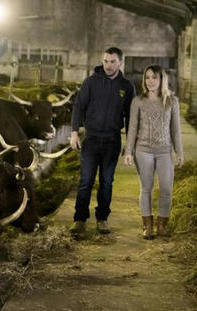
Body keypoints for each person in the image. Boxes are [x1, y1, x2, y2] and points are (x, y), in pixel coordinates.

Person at [69, 47, 135, 237]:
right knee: (86, 180)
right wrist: (74, 132)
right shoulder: (91, 82)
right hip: (91, 139)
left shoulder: (127, 86)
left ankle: (102, 219)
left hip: (112, 140)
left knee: (107, 182)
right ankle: (79, 219)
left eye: (112, 61)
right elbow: (79, 106)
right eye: (105, 61)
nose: (108, 65)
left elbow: (131, 117)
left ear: (120, 63)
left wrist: (129, 145)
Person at [123, 65, 183, 239]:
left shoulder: (172, 101)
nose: (150, 81)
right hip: (143, 151)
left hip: (165, 151)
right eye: (147, 77)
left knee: (166, 189)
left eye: (154, 77)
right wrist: (129, 151)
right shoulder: (138, 101)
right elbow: (132, 128)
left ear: (162, 79)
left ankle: (162, 226)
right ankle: (147, 226)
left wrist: (179, 152)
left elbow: (175, 130)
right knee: (146, 188)